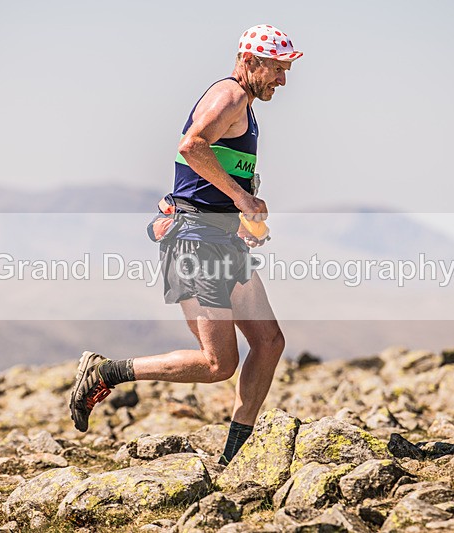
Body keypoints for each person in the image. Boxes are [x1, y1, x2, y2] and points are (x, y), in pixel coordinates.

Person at [69, 24, 302, 466]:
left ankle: (235, 457)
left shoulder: (243, 104)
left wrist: (241, 206)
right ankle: (104, 372)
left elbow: (198, 167)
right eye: (277, 69)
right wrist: (239, 198)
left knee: (269, 342)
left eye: (286, 71)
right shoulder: (229, 95)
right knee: (218, 364)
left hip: (220, 237)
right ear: (249, 61)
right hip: (198, 242)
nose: (283, 81)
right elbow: (192, 146)